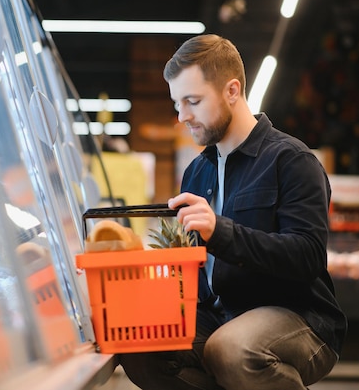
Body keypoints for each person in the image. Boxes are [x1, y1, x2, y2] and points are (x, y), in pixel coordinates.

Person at [119, 34, 347, 390]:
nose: (182, 116)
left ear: (232, 90)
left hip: (298, 316)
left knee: (231, 350)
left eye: (192, 101)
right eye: (177, 103)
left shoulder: (291, 160)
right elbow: (193, 268)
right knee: (137, 341)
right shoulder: (197, 172)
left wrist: (220, 232)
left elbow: (308, 256)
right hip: (218, 314)